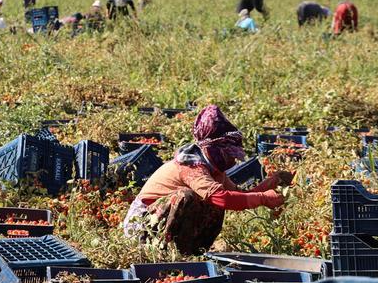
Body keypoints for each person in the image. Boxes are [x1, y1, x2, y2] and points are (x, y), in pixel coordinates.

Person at [122, 105, 290, 255]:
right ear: (213, 149)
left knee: (217, 199)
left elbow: (236, 196)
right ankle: (161, 250)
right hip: (142, 227)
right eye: (229, 154)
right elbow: (223, 198)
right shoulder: (191, 166)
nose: (233, 161)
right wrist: (262, 198)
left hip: (162, 220)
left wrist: (269, 183)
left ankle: (191, 252)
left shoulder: (214, 170)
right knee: (188, 196)